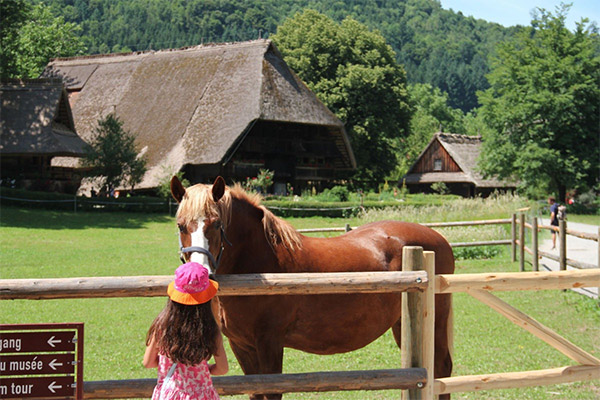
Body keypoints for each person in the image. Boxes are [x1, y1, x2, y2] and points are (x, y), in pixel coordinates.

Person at [143, 262, 228, 399]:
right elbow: (223, 369)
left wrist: (169, 364)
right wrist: (204, 369)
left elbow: (148, 362)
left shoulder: (162, 326)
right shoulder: (211, 330)